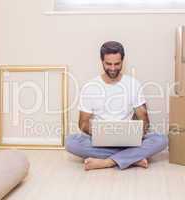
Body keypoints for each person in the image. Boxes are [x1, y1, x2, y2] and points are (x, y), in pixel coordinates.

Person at [65, 41, 168, 171]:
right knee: (71, 142)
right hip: (100, 143)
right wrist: (103, 133)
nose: (113, 68)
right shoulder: (90, 87)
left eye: (117, 64)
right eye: (108, 64)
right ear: (101, 61)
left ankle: (107, 162)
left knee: (161, 140)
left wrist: (134, 135)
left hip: (128, 143)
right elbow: (83, 124)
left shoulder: (133, 84)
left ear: (122, 61)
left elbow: (145, 121)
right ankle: (132, 159)